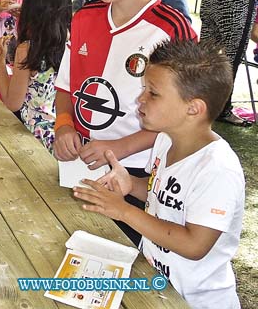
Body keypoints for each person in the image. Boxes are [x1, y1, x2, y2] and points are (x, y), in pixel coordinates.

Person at [53, 0, 195, 244]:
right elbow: (65, 85)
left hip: (140, 174)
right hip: (84, 165)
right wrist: (63, 125)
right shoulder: (85, 18)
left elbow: (183, 117)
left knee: (129, 257)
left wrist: (119, 147)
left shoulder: (171, 29)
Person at [74, 39, 244, 308]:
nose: (140, 99)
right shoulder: (165, 140)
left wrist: (124, 211)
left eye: (153, 93)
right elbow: (159, 193)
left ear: (194, 108)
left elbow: (194, 245)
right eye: (144, 89)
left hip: (195, 301)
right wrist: (130, 184)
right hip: (159, 286)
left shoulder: (217, 169)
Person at [0, 0, 72, 153]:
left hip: (34, 138)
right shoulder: (70, 40)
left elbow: (12, 103)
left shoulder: (27, 49)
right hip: (60, 135)